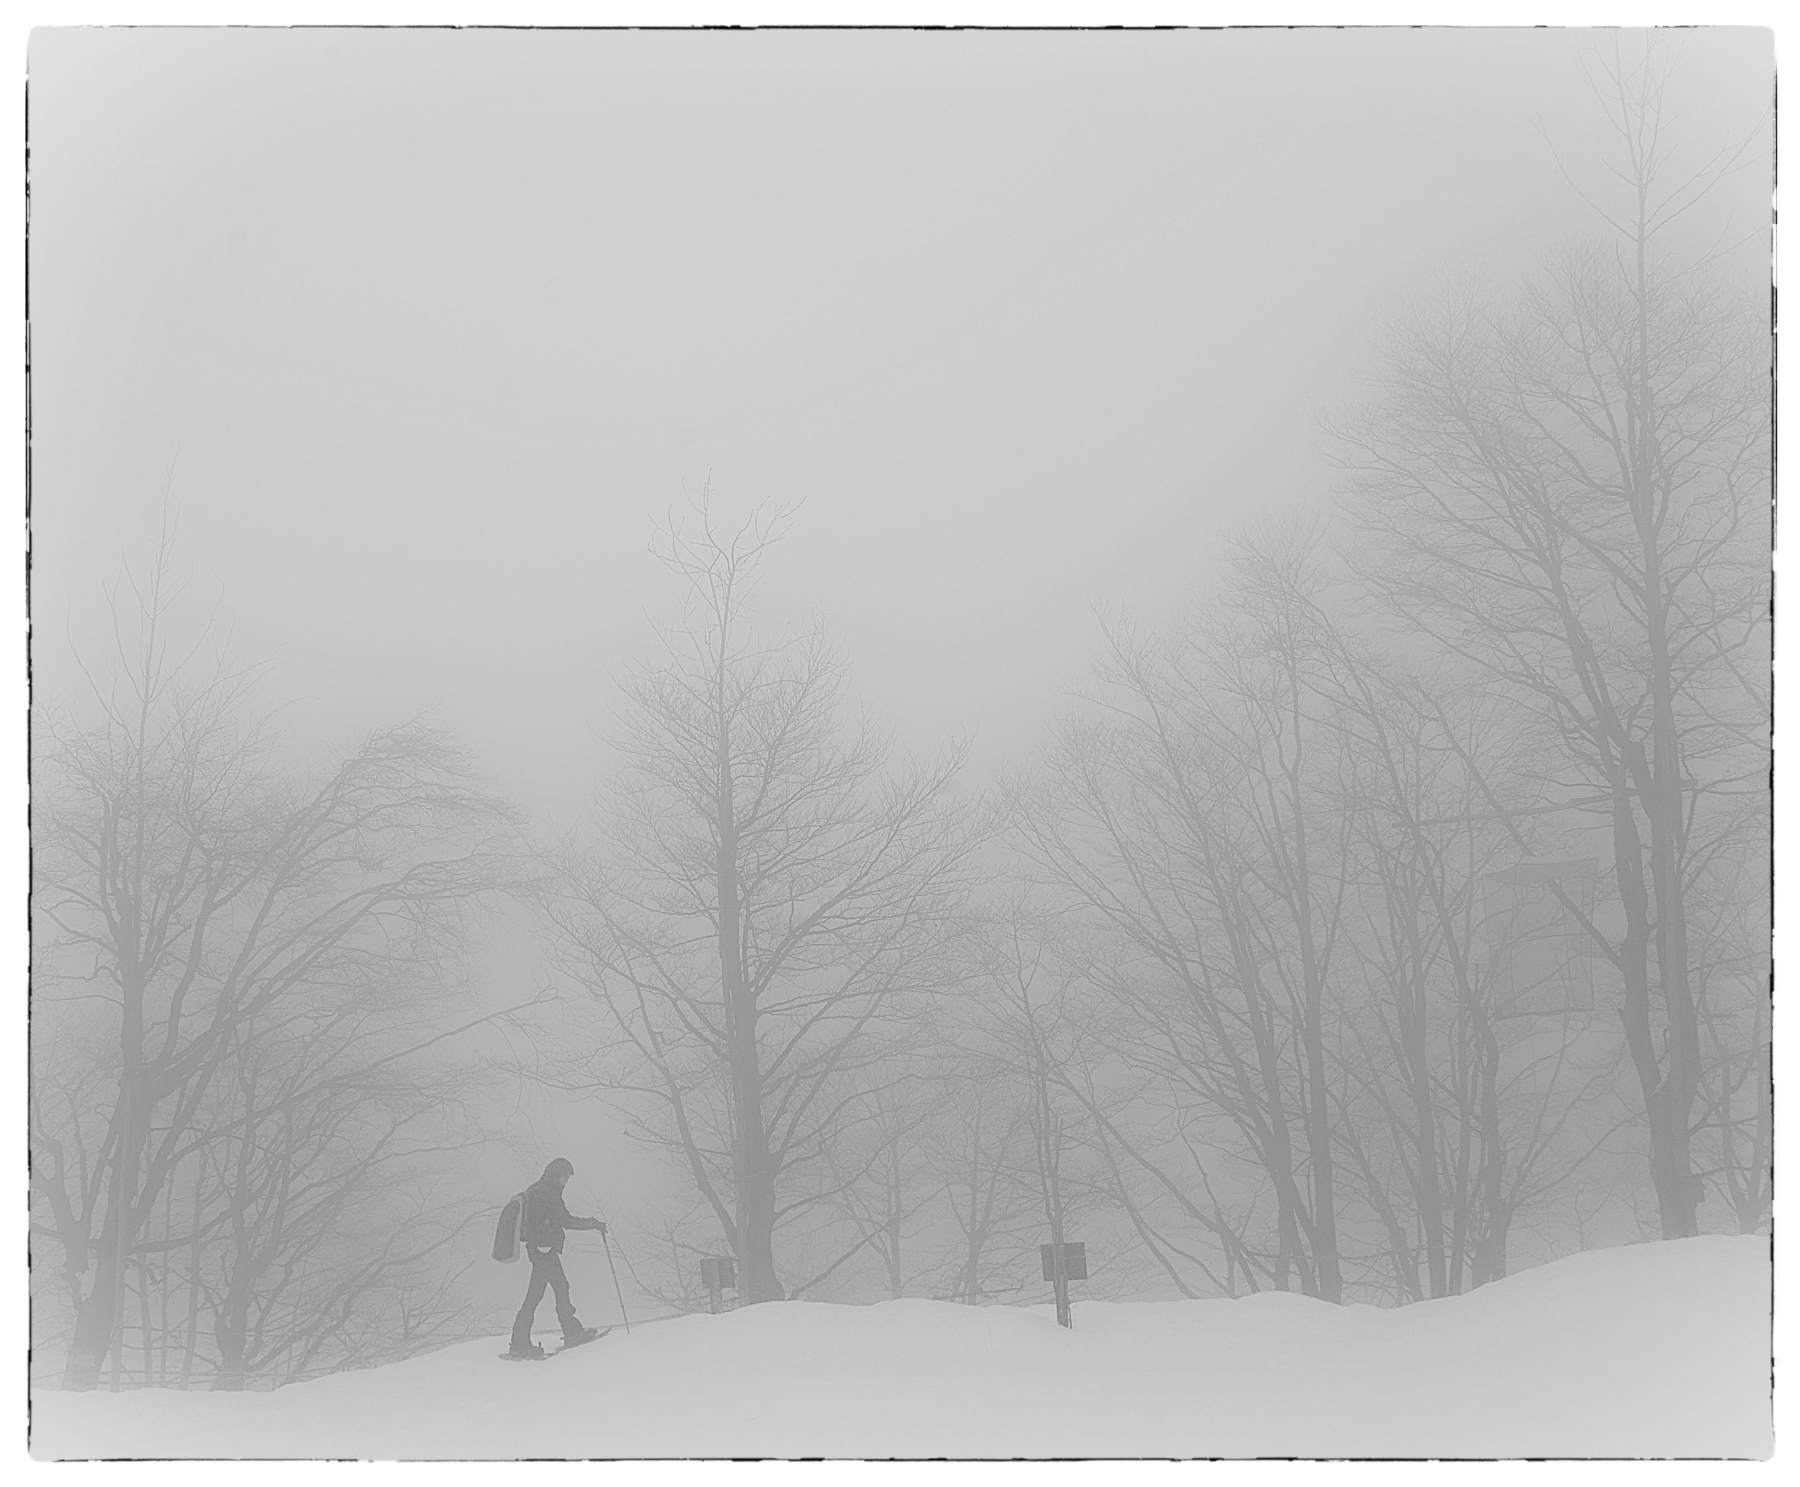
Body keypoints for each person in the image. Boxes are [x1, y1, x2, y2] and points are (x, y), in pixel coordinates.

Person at [507, 1157, 607, 1359]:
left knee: (558, 1288)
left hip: (541, 1249)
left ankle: (567, 1332)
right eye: (565, 1177)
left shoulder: (538, 1190)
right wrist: (593, 1224)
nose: (566, 1181)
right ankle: (522, 1343)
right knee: (540, 1294)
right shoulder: (548, 1193)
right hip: (543, 1251)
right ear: (556, 1175)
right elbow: (564, 1220)